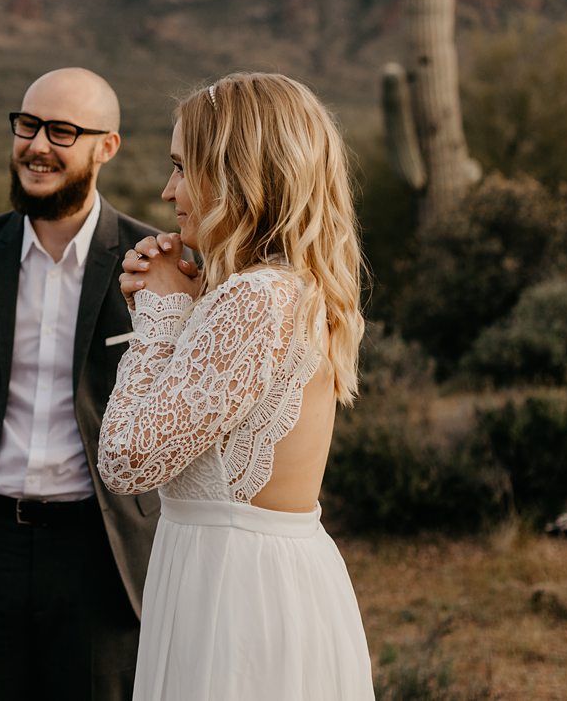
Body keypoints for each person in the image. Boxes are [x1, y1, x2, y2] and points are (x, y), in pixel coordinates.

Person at [98, 72, 374, 701]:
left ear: (239, 175)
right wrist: (193, 307)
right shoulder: (284, 288)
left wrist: (162, 315)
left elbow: (125, 458)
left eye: (182, 168)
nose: (168, 192)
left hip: (234, 598)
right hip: (249, 578)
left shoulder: (255, 298)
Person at [0, 68, 163, 701]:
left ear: (106, 147)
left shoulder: (156, 260)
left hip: (103, 549)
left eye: (62, 131)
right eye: (27, 125)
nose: (37, 145)